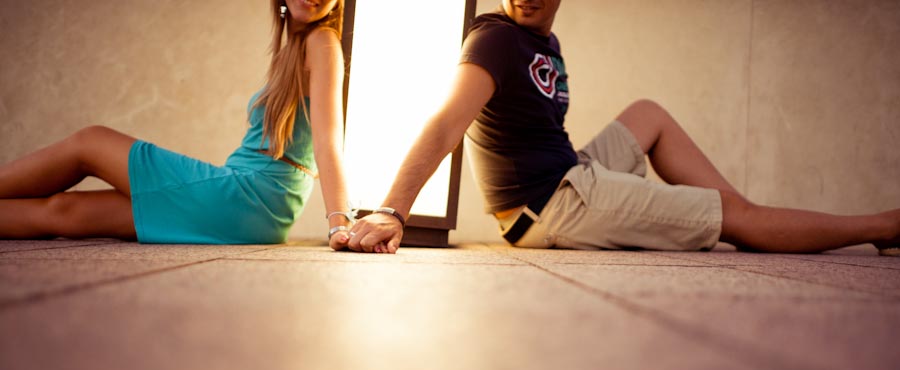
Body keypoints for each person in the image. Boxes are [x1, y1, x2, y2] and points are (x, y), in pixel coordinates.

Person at [342, 0, 900, 256]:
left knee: (648, 113)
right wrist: (394, 209)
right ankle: (883, 225)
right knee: (738, 218)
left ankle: (745, 218)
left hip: (569, 176)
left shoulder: (546, 43)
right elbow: (446, 123)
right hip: (550, 206)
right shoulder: (495, 38)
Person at [0, 0, 355, 250]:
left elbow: (327, 143)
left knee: (89, 143)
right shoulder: (294, 49)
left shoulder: (322, 42)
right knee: (65, 212)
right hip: (256, 210)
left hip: (247, 198)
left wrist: (339, 223)